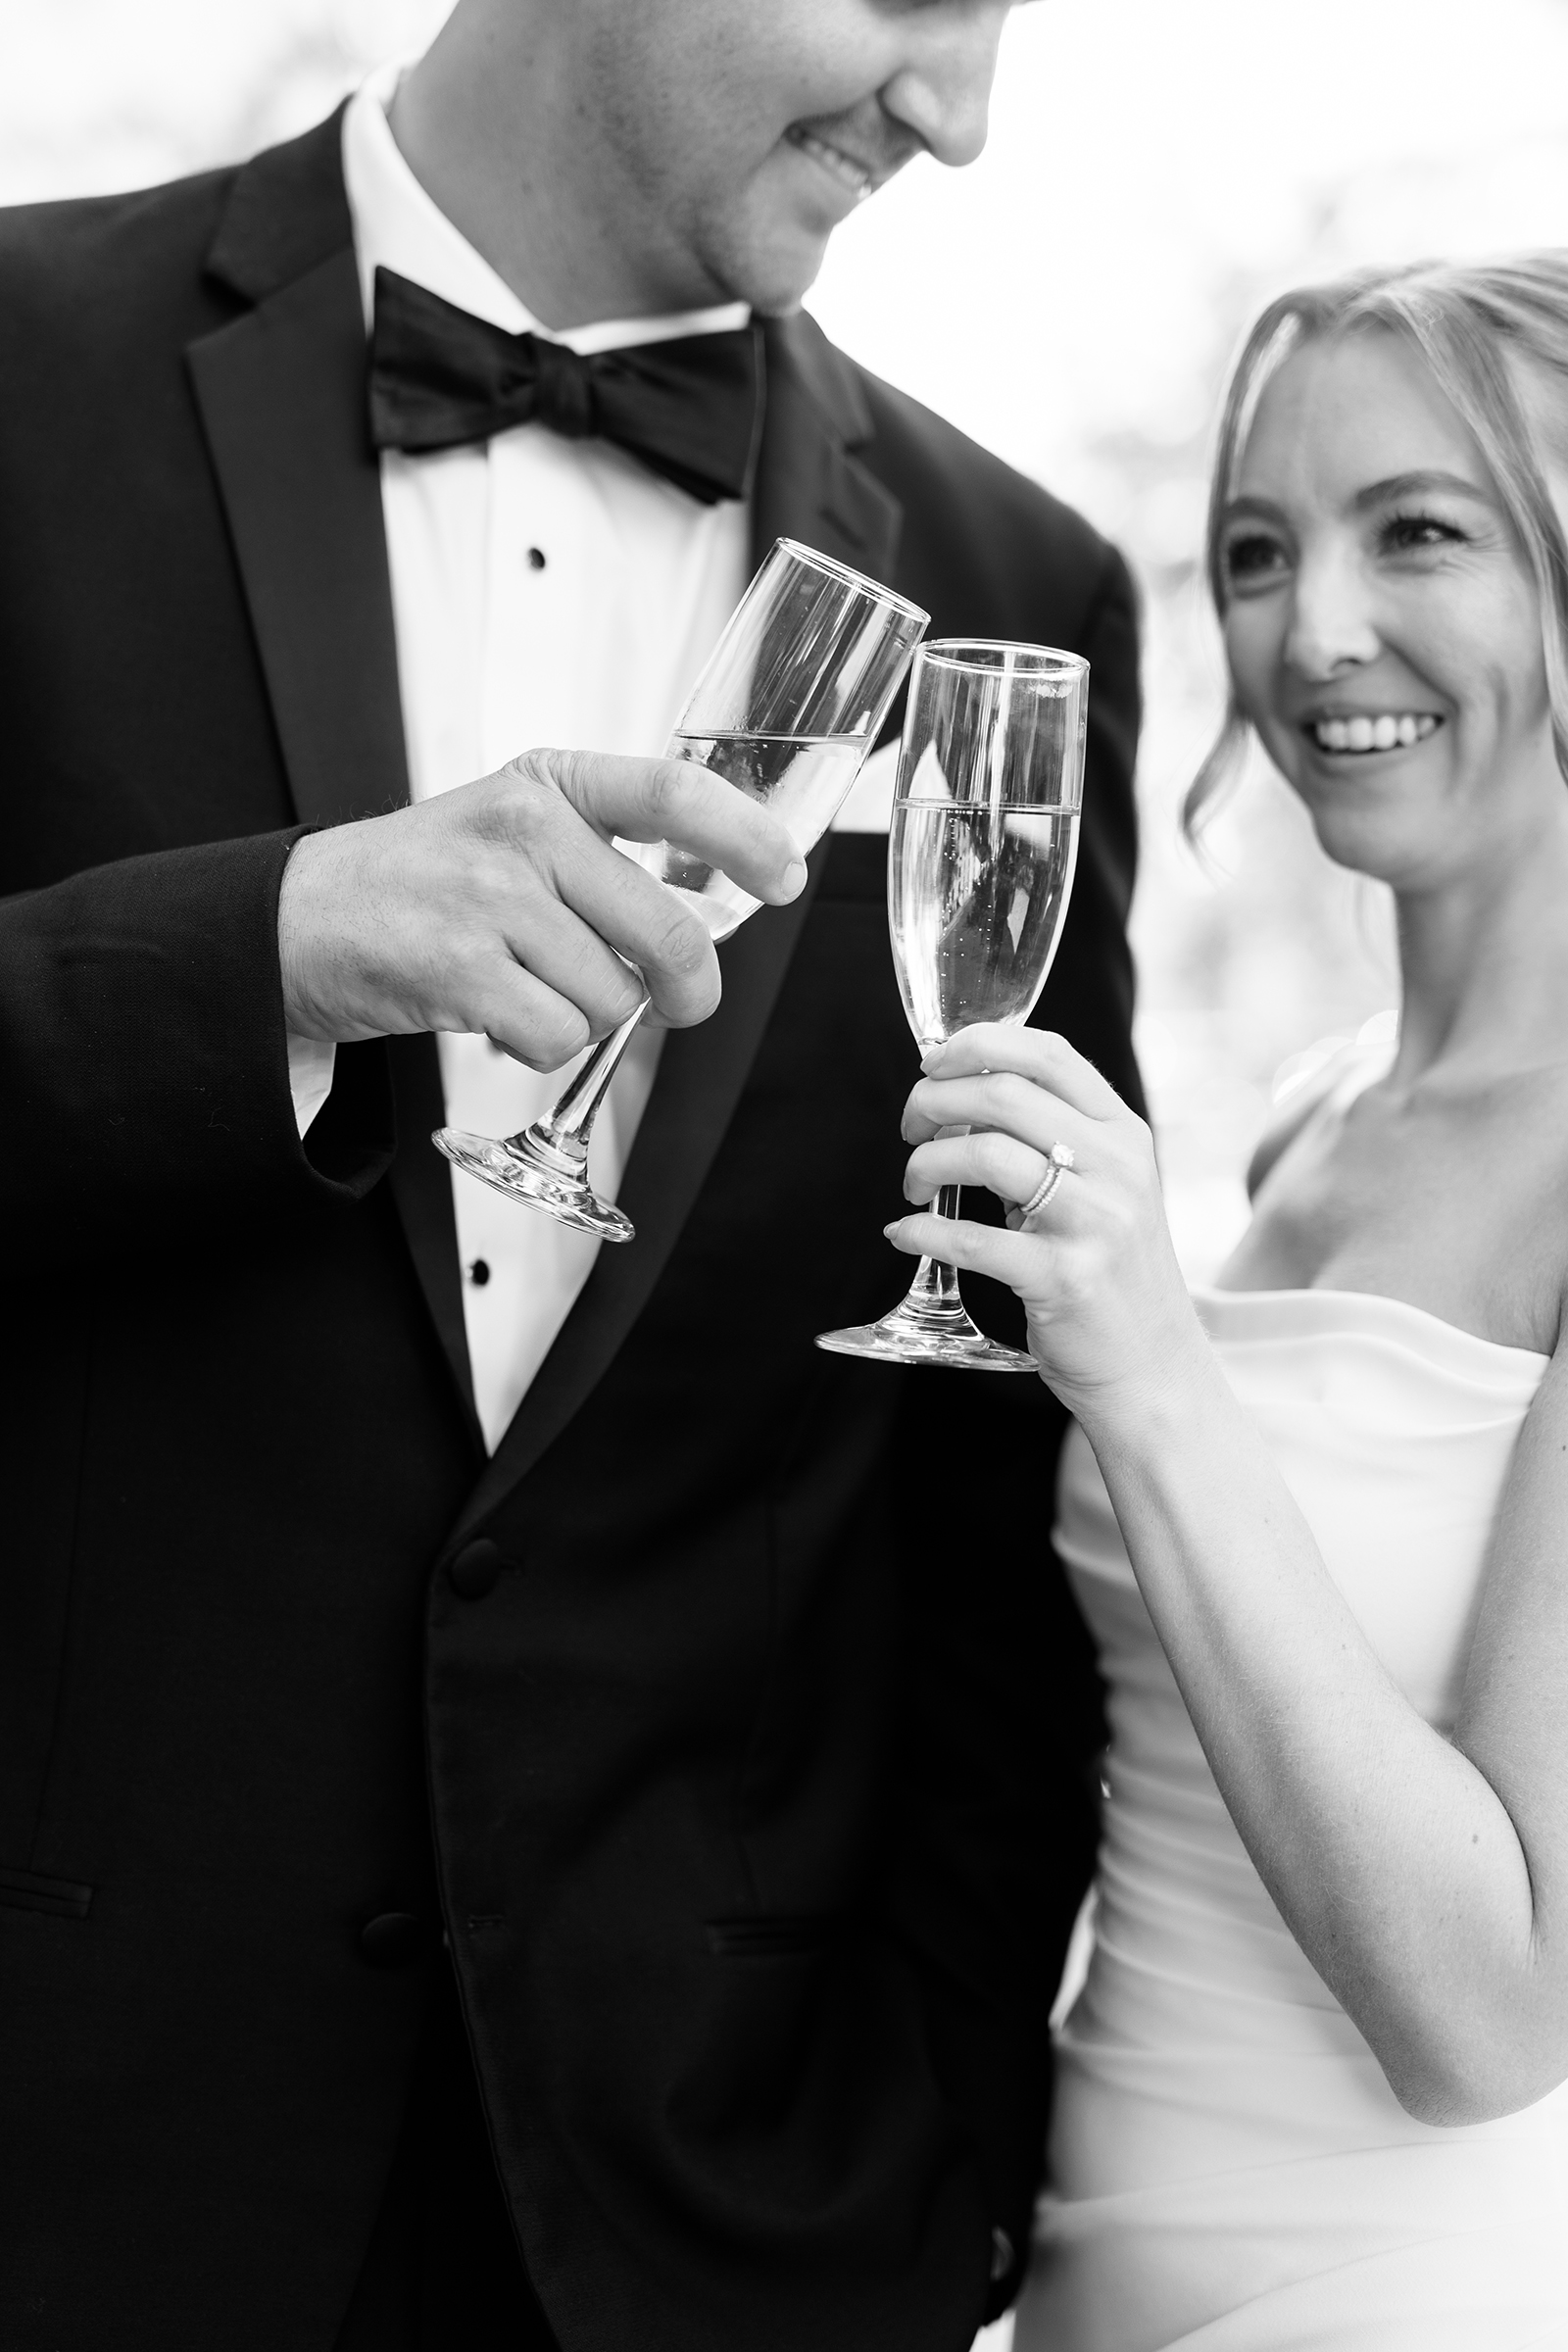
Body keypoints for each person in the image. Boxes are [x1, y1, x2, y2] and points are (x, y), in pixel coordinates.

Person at [0, 4, 1143, 2347]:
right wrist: (262, 958)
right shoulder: (17, 372)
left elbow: (981, 1472)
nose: (958, 112)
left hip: (712, 2229)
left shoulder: (1017, 579)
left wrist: (939, 2170)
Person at [885, 251, 1568, 2348]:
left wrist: (1151, 1377)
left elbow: (1488, 2012)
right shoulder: (1302, 1121)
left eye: (1418, 532)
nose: (1311, 630)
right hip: (1088, 2269)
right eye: (1256, 549)